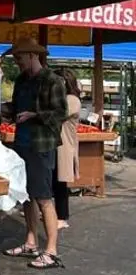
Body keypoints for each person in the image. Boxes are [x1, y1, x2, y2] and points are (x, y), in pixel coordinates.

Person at [2, 37, 67, 269]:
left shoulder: (53, 80)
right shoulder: (21, 80)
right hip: (22, 143)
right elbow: (15, 108)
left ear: (32, 55)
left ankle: (51, 250)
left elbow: (61, 112)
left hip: (41, 145)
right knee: (25, 196)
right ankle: (30, 242)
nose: (17, 62)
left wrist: (34, 115)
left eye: (19, 58)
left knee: (43, 197)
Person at [53, 68, 81, 229]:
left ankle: (62, 217)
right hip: (57, 144)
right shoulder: (63, 98)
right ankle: (54, 213)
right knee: (53, 179)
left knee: (60, 182)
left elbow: (58, 114)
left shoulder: (72, 100)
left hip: (64, 146)